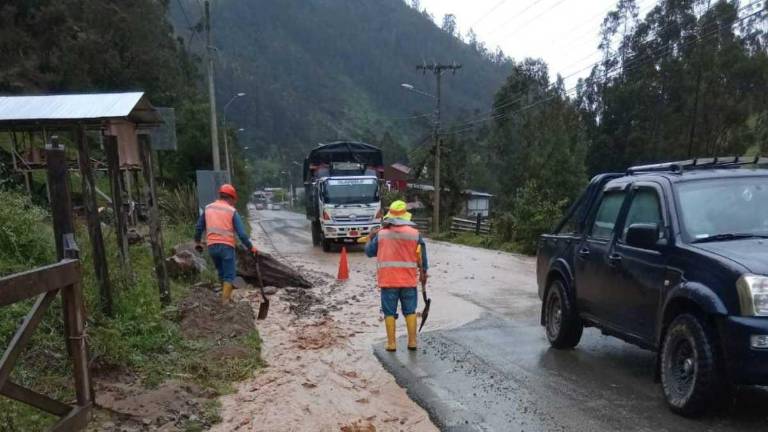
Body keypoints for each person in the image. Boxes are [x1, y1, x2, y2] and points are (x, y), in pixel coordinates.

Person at [365, 200, 428, 352]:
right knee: (410, 311)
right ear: (406, 216)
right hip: (408, 281)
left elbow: (369, 252)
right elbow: (423, 258)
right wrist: (424, 273)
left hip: (388, 281)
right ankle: (412, 342)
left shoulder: (381, 234)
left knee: (389, 312)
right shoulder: (415, 234)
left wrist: (370, 238)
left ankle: (391, 344)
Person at [195, 184, 258, 304]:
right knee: (229, 275)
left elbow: (199, 227)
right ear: (231, 197)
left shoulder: (208, 208)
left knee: (221, 272)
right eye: (234, 200)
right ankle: (225, 303)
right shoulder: (231, 211)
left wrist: (197, 241)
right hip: (226, 247)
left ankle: (224, 296)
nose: (234, 203)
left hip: (212, 247)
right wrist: (251, 247)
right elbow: (242, 234)